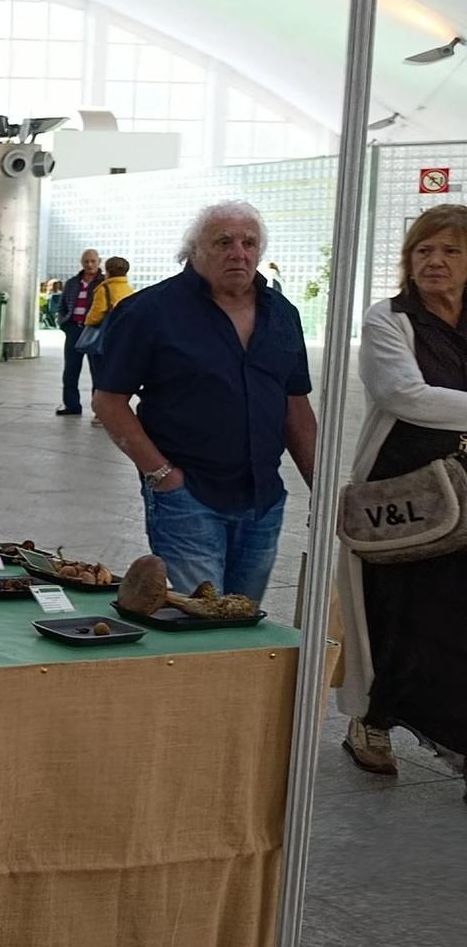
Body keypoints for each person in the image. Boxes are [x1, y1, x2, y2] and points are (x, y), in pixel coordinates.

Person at [92, 202, 316, 602]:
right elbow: (109, 401)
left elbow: (295, 407)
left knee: (243, 620)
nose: (239, 252)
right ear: (195, 250)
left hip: (263, 500)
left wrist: (323, 488)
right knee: (199, 620)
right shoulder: (151, 311)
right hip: (188, 497)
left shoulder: (282, 314)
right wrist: (162, 475)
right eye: (224, 242)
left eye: (249, 243)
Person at [335, 203, 467, 788]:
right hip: (404, 493)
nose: (434, 261)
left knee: (453, 618)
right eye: (423, 250)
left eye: (451, 251)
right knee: (393, 614)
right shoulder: (390, 319)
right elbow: (403, 395)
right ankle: (373, 719)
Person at [54, 250, 103, 416]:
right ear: (81, 262)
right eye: (86, 261)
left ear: (98, 262)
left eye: (93, 261)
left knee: (98, 371)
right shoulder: (72, 283)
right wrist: (64, 323)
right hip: (74, 329)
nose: (89, 265)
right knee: (70, 370)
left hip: (94, 330)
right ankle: (72, 406)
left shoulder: (104, 283)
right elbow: (62, 306)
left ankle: (99, 410)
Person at [82, 256, 136, 330]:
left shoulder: (104, 289)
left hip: (108, 330)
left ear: (108, 272)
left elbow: (96, 315)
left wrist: (87, 322)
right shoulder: (129, 289)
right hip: (124, 329)